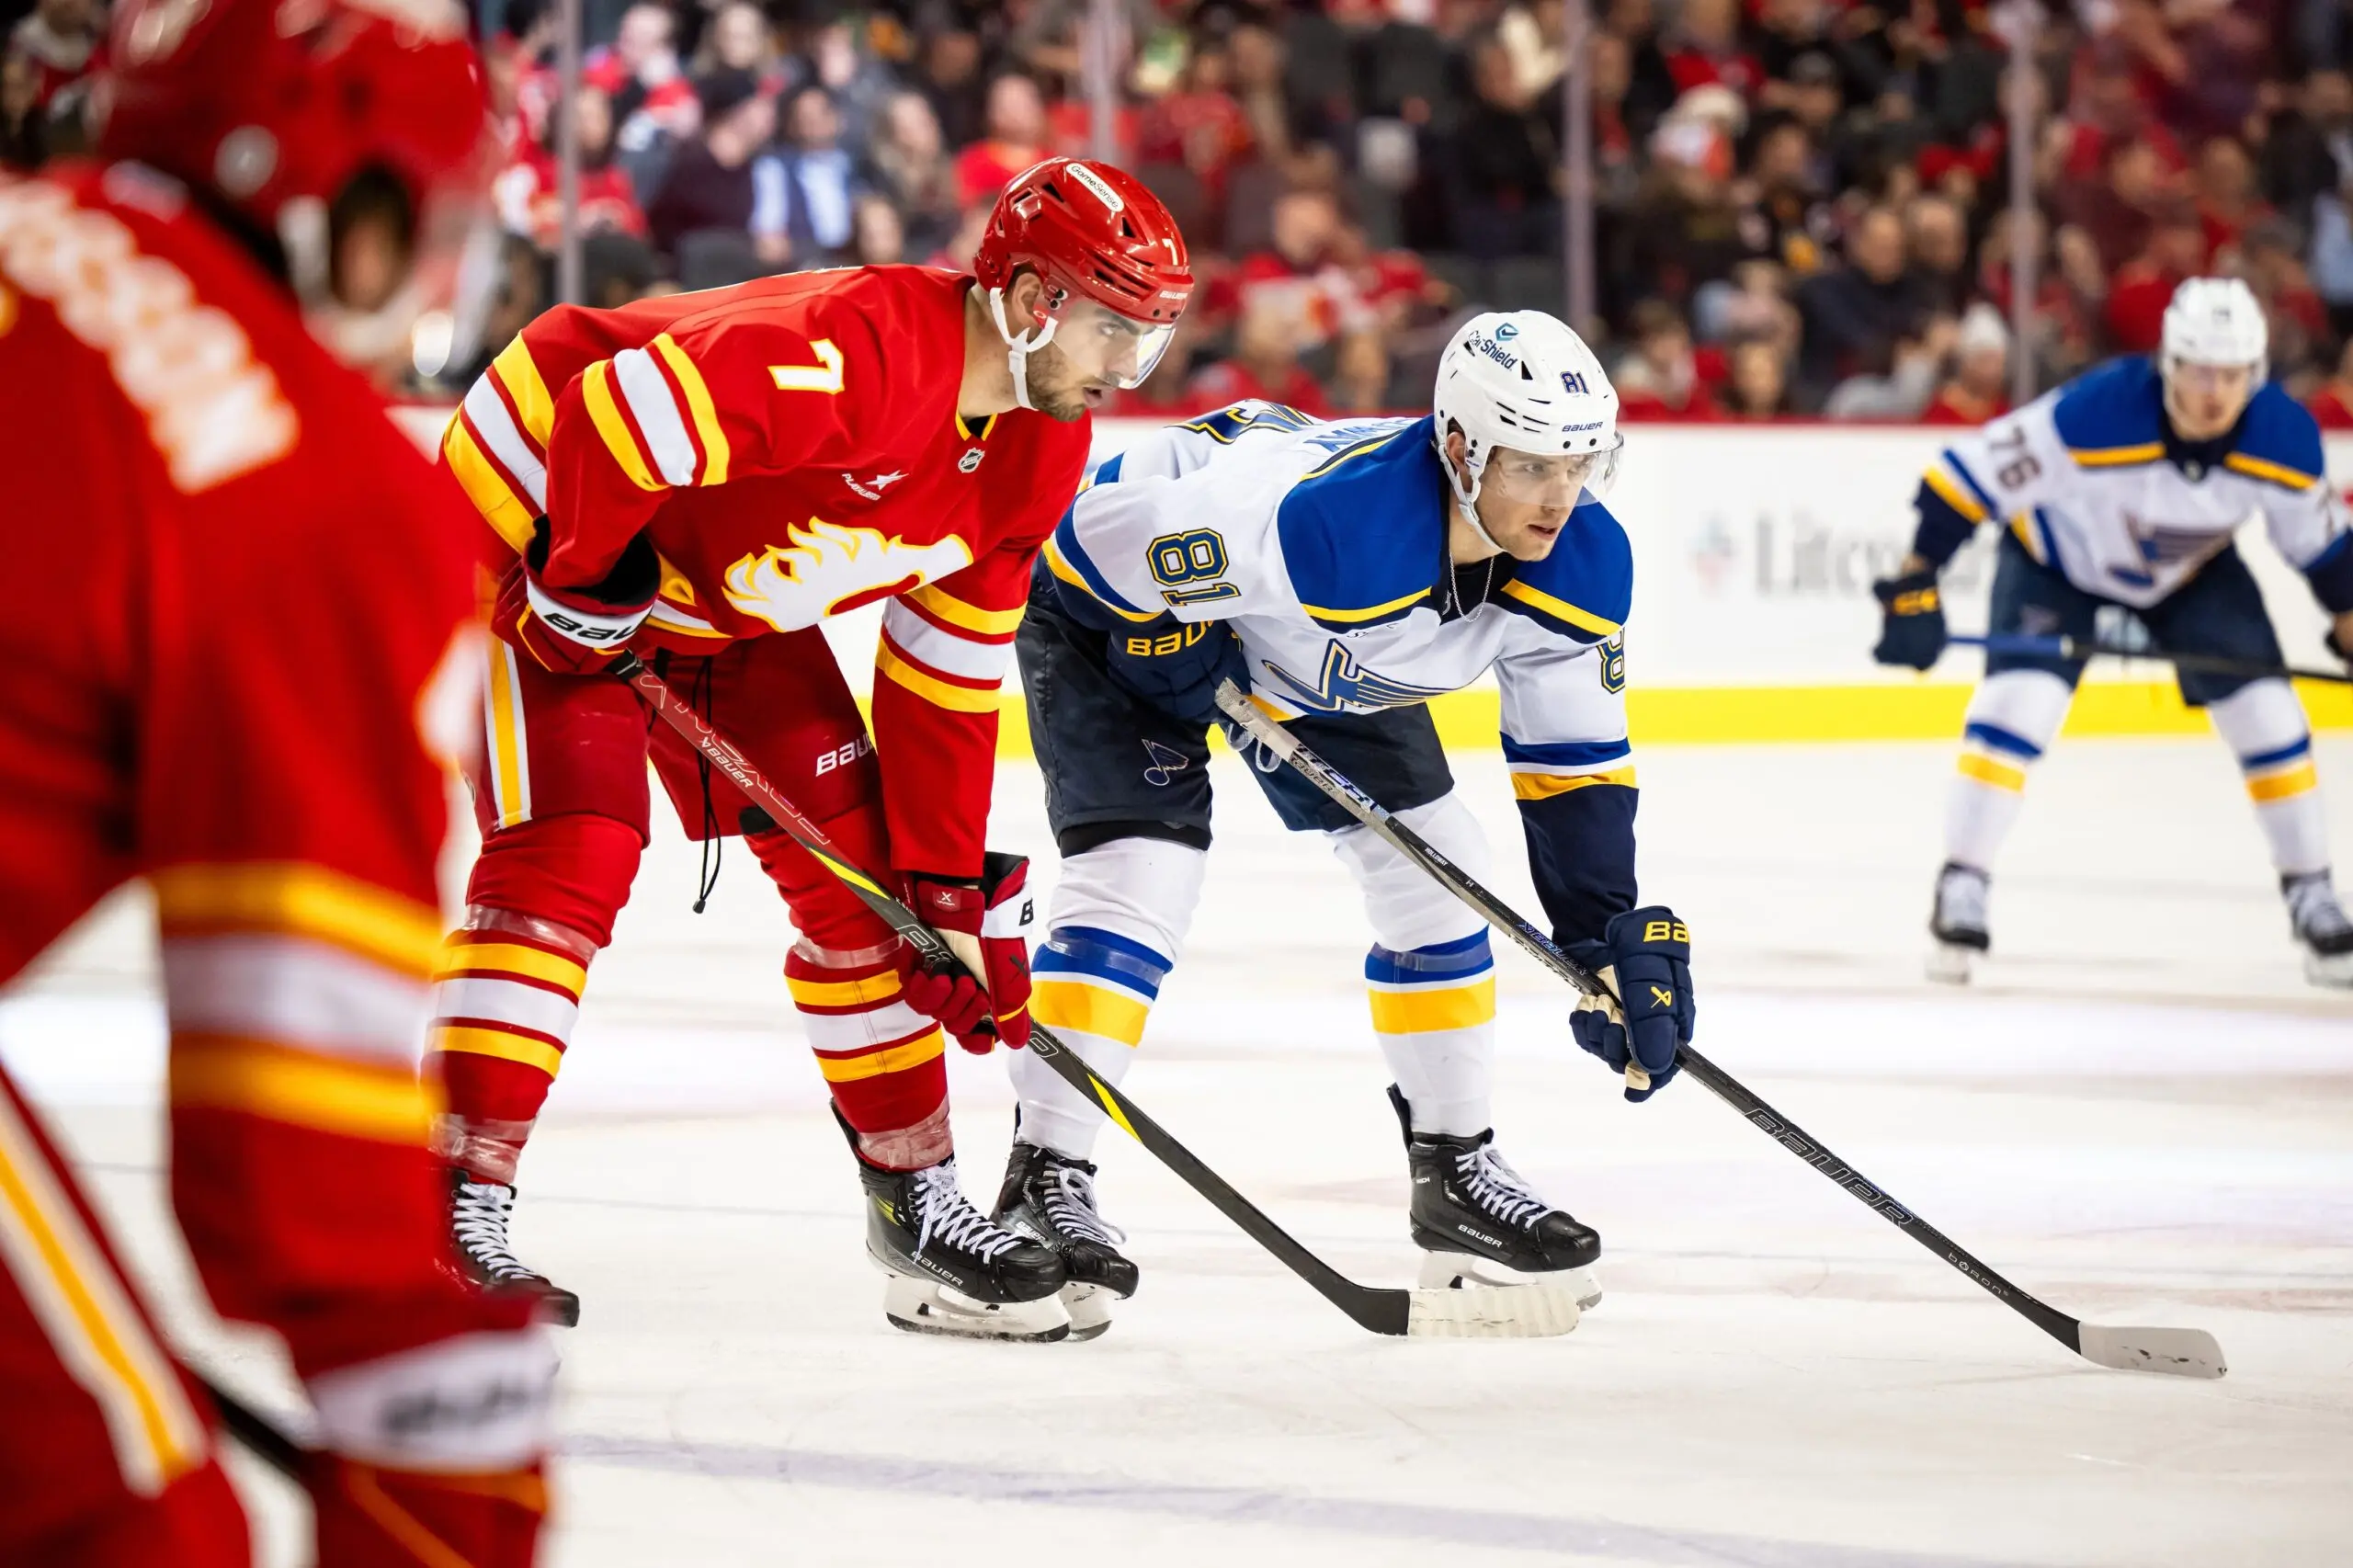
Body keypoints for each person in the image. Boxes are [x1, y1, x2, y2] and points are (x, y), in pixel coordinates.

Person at [434, 157, 1193, 1340]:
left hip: (710, 600)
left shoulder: (1038, 453)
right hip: (543, 510)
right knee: (573, 850)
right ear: (1035, 300)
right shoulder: (867, 351)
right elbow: (615, 415)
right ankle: (449, 1197)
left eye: (1145, 346)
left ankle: (916, 1207)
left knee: (868, 897)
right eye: (1113, 333)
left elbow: (943, 683)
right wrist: (581, 581)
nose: (1120, 372)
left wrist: (942, 897)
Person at [0, 0, 559, 1561]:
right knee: (134, 1528)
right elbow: (298, 1104)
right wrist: (444, 1448)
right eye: (434, 227)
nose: (438, 282)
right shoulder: (322, 484)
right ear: (345, 206)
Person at [999, 314, 1698, 1338]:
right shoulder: (1331, 529)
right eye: (1532, 465)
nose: (1561, 496)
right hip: (1121, 608)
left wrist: (1600, 936)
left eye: (1580, 462)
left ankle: (1455, 1177)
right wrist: (1159, 645)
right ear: (1461, 448)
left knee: (1443, 866)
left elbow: (1571, 771)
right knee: (1143, 873)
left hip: (1311, 659)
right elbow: (1078, 555)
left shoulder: (1582, 563)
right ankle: (1043, 1174)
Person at [1870, 278, 2353, 987]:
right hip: (2054, 563)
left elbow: (2330, 557)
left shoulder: (2283, 436)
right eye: (2198, 370)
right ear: (2169, 362)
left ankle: (2312, 890)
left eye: (2231, 374)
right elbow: (1965, 479)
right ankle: (1962, 881)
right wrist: (1916, 583)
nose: (2213, 391)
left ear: (2255, 372)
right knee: (2018, 708)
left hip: (2193, 573)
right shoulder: (2094, 413)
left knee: (2271, 715)